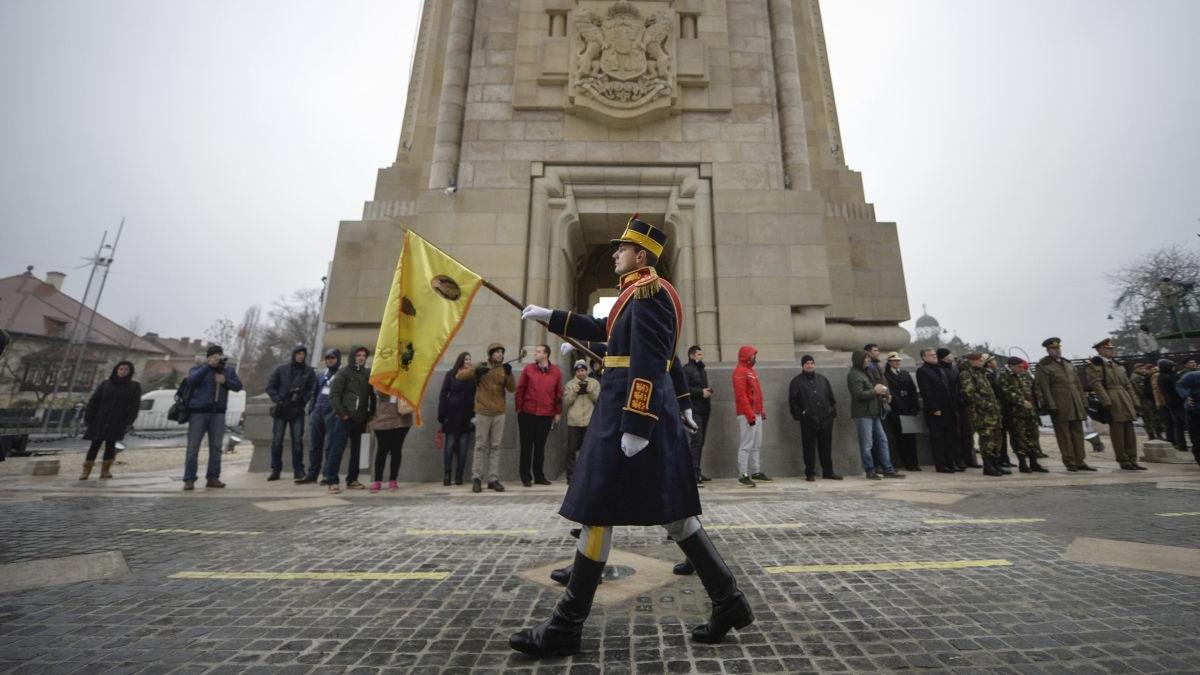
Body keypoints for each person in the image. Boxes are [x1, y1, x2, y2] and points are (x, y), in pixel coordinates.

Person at [512, 216, 752, 657]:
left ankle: (566, 627)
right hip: (624, 414)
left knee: (600, 508)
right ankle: (729, 599)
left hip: (629, 415)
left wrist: (637, 424)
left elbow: (648, 360)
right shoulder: (633, 295)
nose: (615, 253)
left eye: (622, 248)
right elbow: (607, 333)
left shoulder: (651, 293)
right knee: (665, 513)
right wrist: (553, 318)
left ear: (641, 255)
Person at [182, 345, 244, 490]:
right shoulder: (198, 369)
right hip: (198, 412)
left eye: (220, 355)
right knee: (193, 447)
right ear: (208, 357)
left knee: (216, 447)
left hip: (218, 413)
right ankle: (189, 479)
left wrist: (225, 382)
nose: (218, 358)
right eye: (214, 356)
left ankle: (213, 477)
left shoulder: (228, 371)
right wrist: (207, 367)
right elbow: (191, 381)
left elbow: (238, 386)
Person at [459, 342, 516, 492]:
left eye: (501, 352)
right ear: (490, 354)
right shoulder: (482, 365)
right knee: (480, 446)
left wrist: (509, 374)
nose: (499, 354)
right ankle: (477, 478)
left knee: (496, 447)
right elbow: (460, 375)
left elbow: (511, 389)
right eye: (496, 352)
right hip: (483, 411)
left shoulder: (504, 369)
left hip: (499, 411)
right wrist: (477, 372)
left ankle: (493, 479)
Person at [1035, 338, 1095, 472]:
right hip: (1059, 404)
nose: (1057, 350)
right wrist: (1050, 405)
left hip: (1075, 403)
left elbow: (1078, 385)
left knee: (1078, 434)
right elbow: (1043, 388)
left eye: (1058, 348)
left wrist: (1084, 402)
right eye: (1054, 349)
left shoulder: (1068, 364)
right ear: (1048, 350)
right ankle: (1070, 461)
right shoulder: (1044, 366)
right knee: (1064, 435)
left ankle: (1080, 460)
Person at [1086, 339, 1144, 470]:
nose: (1112, 351)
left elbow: (1127, 384)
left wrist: (1134, 400)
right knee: (1118, 431)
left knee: (1129, 431)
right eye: (1108, 349)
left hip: (1124, 397)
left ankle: (1132, 459)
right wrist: (1106, 401)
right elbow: (1097, 384)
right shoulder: (1095, 365)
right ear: (1100, 350)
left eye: (1112, 349)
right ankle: (1123, 460)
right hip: (1112, 397)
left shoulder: (1117, 365)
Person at [847, 349, 904, 480]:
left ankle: (887, 468)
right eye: (866, 358)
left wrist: (883, 393)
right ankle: (870, 470)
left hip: (874, 412)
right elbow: (858, 395)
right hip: (863, 414)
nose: (868, 360)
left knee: (882, 441)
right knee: (867, 444)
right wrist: (875, 391)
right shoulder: (854, 374)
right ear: (860, 360)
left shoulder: (866, 372)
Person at [325, 346, 376, 493]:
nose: (361, 357)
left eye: (363, 355)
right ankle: (332, 481)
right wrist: (343, 414)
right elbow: (334, 396)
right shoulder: (343, 373)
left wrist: (370, 415)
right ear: (353, 356)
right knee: (337, 450)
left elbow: (371, 396)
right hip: (344, 419)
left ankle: (352, 479)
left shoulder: (367, 373)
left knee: (357, 452)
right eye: (358, 355)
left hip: (361, 419)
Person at [80, 361, 141, 480]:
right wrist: (88, 417)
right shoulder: (106, 384)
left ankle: (105, 470)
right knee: (95, 445)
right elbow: (94, 401)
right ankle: (86, 471)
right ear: (116, 370)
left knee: (110, 445)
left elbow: (134, 405)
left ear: (130, 372)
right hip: (100, 419)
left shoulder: (134, 386)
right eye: (121, 369)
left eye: (126, 369)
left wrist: (129, 421)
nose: (123, 371)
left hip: (118, 420)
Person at [265, 344, 316, 481]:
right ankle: (275, 469)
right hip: (282, 408)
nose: (301, 356)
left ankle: (298, 470)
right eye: (298, 353)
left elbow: (312, 389)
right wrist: (278, 400)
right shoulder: (281, 370)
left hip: (297, 410)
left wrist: (303, 399)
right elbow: (270, 387)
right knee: (277, 441)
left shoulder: (309, 371)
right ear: (294, 354)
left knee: (298, 442)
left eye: (303, 354)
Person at [515, 344, 563, 487]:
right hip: (527, 413)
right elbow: (520, 389)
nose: (535, 353)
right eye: (536, 351)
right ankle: (525, 476)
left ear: (546, 354)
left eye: (538, 351)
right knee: (526, 446)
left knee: (540, 447)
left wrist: (557, 412)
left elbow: (558, 393)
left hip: (545, 414)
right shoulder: (528, 369)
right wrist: (519, 408)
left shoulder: (556, 372)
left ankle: (539, 475)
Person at [788, 354, 840, 481]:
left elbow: (830, 397)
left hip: (825, 418)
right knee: (809, 447)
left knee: (826, 446)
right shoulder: (797, 382)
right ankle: (809, 472)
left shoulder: (822, 379)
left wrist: (831, 412)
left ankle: (828, 471)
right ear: (803, 365)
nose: (809, 365)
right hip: (808, 420)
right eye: (807, 363)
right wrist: (802, 415)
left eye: (811, 363)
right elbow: (793, 402)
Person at [997, 357, 1048, 473]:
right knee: (1019, 438)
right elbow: (1006, 393)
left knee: (1033, 437)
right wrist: (1021, 401)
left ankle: (1034, 462)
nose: (1021, 369)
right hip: (1015, 414)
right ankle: (1023, 463)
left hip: (1030, 412)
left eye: (1022, 366)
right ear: (1011, 366)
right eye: (1019, 367)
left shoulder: (1024, 376)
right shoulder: (1004, 377)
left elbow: (1031, 390)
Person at [960, 353, 1007, 476]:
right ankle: (988, 466)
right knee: (987, 440)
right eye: (979, 360)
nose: (982, 362)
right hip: (982, 413)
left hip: (993, 413)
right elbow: (969, 394)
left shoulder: (981, 373)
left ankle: (996, 464)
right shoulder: (967, 374)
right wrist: (986, 405)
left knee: (997, 439)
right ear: (972, 361)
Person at [297, 349, 340, 484]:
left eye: (332, 358)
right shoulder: (321, 375)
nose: (330, 360)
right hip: (318, 411)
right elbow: (314, 393)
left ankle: (328, 474)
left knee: (330, 445)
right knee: (315, 445)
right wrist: (312, 410)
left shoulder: (341, 375)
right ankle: (312, 473)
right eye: (327, 358)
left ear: (337, 359)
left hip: (332, 412)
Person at [916, 348, 959, 473]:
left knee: (949, 438)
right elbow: (926, 392)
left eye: (934, 355)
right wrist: (934, 408)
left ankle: (950, 462)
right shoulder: (922, 371)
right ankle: (941, 465)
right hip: (936, 410)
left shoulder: (940, 369)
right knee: (938, 439)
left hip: (948, 409)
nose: (934, 357)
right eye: (930, 355)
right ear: (924, 357)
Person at [733, 345, 770, 486]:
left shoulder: (751, 371)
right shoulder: (740, 371)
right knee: (746, 445)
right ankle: (743, 474)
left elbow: (757, 393)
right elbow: (741, 395)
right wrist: (750, 415)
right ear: (747, 356)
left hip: (756, 413)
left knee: (756, 444)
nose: (755, 357)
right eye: (753, 355)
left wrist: (761, 410)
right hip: (747, 414)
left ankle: (756, 471)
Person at [438, 351, 476, 486]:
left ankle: (459, 473)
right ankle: (447, 473)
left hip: (467, 414)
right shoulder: (451, 374)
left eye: (469, 360)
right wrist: (442, 413)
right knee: (449, 444)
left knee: (463, 446)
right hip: (452, 413)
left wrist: (475, 415)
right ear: (460, 361)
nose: (468, 362)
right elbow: (443, 393)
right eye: (466, 359)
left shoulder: (473, 376)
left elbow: (477, 396)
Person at [367, 387, 414, 492]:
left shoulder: (406, 378)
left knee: (396, 449)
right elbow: (379, 392)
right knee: (382, 450)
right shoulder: (383, 376)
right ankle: (377, 480)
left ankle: (393, 479)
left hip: (402, 418)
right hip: (383, 419)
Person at [562, 359, 599, 485]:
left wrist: (590, 391)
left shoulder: (594, 383)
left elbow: (599, 400)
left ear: (586, 370)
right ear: (575, 372)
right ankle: (570, 477)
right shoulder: (569, 384)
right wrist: (574, 392)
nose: (581, 373)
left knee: (588, 450)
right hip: (574, 421)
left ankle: (587, 476)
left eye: (583, 370)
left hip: (589, 421)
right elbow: (566, 402)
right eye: (578, 371)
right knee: (571, 451)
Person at [883, 352, 921, 471]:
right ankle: (906, 462)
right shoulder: (887, 375)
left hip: (909, 409)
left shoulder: (905, 373)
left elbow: (912, 390)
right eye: (894, 361)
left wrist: (913, 406)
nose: (897, 362)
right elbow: (892, 392)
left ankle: (914, 463)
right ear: (889, 362)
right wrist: (900, 406)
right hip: (897, 410)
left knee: (911, 438)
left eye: (898, 361)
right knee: (901, 438)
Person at [682, 345, 713, 484]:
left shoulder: (702, 370)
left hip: (704, 409)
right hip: (694, 410)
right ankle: (693, 474)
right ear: (692, 355)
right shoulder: (687, 370)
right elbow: (685, 389)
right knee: (696, 442)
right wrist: (701, 392)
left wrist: (707, 391)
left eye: (701, 354)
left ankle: (697, 471)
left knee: (700, 443)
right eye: (699, 354)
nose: (701, 357)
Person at [1158, 359, 1188, 452]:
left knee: (1178, 425)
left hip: (1170, 403)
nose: (1173, 368)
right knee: (1188, 423)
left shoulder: (1160, 376)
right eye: (1171, 366)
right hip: (1179, 403)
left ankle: (1181, 445)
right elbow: (1179, 389)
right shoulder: (1171, 376)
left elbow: (1162, 391)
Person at [1175, 367, 1200, 466]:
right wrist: (1186, 396)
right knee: (1197, 439)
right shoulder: (1193, 376)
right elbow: (1179, 385)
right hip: (1194, 412)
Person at [1130, 363, 1162, 441]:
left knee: (1152, 418)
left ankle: (1155, 434)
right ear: (1136, 369)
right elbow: (1140, 391)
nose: (1143, 370)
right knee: (1149, 418)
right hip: (1144, 401)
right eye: (1141, 368)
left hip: (1147, 401)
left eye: (1144, 368)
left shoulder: (1141, 376)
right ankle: (1153, 435)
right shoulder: (1136, 377)